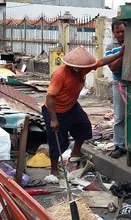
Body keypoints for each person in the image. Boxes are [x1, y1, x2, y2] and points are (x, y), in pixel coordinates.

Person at [43, 45, 124, 175]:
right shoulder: (60, 75)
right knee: (57, 140)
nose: (80, 70)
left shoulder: (82, 69)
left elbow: (102, 61)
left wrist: (120, 54)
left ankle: (75, 152)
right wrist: (53, 119)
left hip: (72, 106)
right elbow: (50, 97)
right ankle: (54, 169)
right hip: (55, 110)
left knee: (84, 127)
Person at [105, 19, 127, 158]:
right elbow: (112, 67)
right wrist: (122, 53)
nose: (120, 34)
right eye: (117, 32)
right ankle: (119, 145)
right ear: (113, 33)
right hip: (119, 83)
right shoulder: (110, 47)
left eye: (123, 31)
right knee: (119, 117)